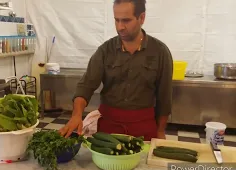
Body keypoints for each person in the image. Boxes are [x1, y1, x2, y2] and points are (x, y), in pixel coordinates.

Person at [59, 0, 173, 141]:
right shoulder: (105, 50)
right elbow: (86, 86)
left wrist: (160, 131)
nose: (120, 27)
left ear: (141, 18)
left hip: (143, 126)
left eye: (126, 20)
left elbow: (164, 97)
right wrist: (76, 115)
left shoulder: (160, 52)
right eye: (116, 20)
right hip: (109, 127)